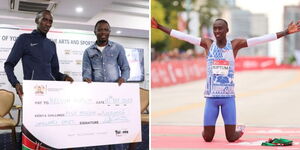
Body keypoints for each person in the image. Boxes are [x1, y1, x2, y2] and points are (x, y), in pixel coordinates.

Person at [151, 17, 300, 142]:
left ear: (226, 30)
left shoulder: (234, 45)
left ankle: (239, 129)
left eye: (220, 28)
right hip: (211, 98)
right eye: (215, 28)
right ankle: (206, 129)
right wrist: (159, 27)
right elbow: (183, 36)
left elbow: (260, 39)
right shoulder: (207, 44)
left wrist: (286, 32)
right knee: (208, 138)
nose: (217, 31)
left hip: (228, 98)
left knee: (231, 137)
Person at [4, 10, 73, 149]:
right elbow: (8, 65)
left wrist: (64, 77)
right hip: (33, 93)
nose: (47, 23)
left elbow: (54, 71)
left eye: (50, 21)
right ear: (37, 20)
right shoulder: (24, 39)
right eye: (44, 19)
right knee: (31, 131)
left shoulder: (51, 45)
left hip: (51, 94)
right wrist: (16, 83)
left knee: (48, 131)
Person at [82, 19, 130, 149]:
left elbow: (126, 68)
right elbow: (86, 72)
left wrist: (123, 79)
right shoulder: (88, 51)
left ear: (109, 31)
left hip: (115, 96)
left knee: (116, 130)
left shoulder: (118, 48)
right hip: (97, 98)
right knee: (100, 131)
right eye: (100, 29)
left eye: (105, 29)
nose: (103, 32)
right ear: (95, 32)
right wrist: (86, 79)